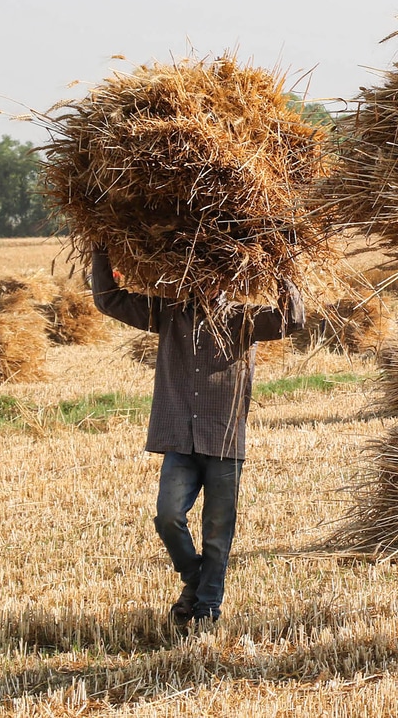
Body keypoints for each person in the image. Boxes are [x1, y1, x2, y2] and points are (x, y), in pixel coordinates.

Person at [90, 246, 304, 629]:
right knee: (168, 516)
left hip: (222, 437)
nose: (205, 282)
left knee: (218, 532)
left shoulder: (244, 318)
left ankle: (207, 607)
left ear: (226, 277)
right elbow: (109, 300)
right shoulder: (168, 313)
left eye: (214, 275)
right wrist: (101, 248)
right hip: (178, 438)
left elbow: (292, 318)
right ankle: (193, 579)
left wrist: (281, 261)